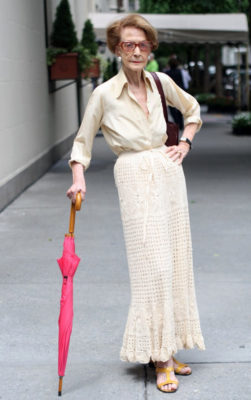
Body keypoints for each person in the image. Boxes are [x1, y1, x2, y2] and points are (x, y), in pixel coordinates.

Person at [67, 14, 205, 394]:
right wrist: (78, 178)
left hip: (168, 172)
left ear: (150, 49)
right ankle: (159, 358)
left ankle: (167, 347)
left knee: (175, 261)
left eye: (143, 44)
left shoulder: (162, 82)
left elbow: (192, 112)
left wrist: (185, 143)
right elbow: (82, 143)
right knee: (151, 265)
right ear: (116, 49)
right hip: (131, 175)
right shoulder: (103, 95)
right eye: (128, 44)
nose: (136, 51)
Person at [163, 55, 185, 130]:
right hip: (179, 91)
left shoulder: (167, 72)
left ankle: (176, 122)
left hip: (170, 92)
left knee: (172, 108)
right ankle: (181, 123)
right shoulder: (179, 72)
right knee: (179, 108)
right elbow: (181, 82)